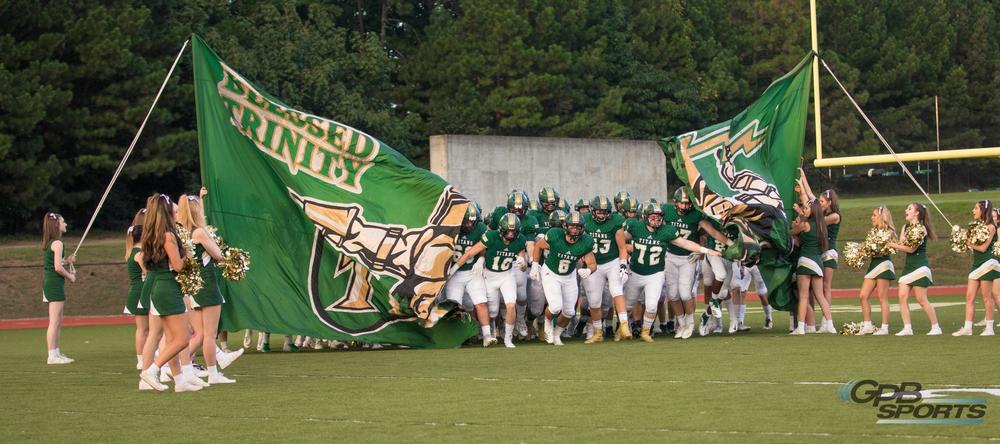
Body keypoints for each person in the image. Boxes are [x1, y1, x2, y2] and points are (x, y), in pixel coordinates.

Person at [619, 201, 720, 342]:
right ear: (644, 217)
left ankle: (648, 332)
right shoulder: (635, 226)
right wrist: (628, 250)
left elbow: (685, 243)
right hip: (636, 271)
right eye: (653, 217)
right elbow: (619, 240)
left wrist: (705, 250)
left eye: (659, 218)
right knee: (630, 302)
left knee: (659, 302)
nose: (656, 220)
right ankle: (620, 327)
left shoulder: (666, 230)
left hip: (657, 272)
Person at [137, 194, 202, 392]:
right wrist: (188, 256)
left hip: (158, 286)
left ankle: (180, 381)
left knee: (172, 337)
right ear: (166, 212)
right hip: (168, 287)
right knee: (182, 338)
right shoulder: (168, 235)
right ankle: (152, 370)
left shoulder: (151, 234)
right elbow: (177, 266)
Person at [177, 189, 243, 382]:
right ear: (196, 212)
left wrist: (201, 199)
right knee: (209, 334)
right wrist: (231, 259)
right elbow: (218, 255)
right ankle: (212, 373)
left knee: (200, 334)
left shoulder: (184, 233)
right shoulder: (199, 232)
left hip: (194, 285)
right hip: (207, 283)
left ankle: (178, 367)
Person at [453, 213, 528, 348]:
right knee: (492, 312)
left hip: (507, 275)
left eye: (514, 231)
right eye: (508, 231)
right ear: (501, 229)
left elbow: (523, 266)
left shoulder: (520, 240)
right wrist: (454, 269)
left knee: (511, 305)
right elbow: (470, 253)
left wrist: (523, 264)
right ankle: (491, 330)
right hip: (490, 276)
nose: (511, 234)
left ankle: (508, 339)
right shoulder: (491, 236)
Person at [530, 211, 596, 346]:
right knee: (555, 307)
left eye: (578, 227)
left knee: (570, 311)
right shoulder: (555, 235)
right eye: (572, 226)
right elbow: (538, 246)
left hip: (569, 276)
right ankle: (547, 323)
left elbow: (592, 263)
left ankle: (557, 334)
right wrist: (535, 265)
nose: (575, 229)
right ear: (565, 226)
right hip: (551, 273)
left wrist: (588, 270)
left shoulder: (586, 241)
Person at [887, 203, 941, 336]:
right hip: (908, 267)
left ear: (917, 213)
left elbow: (911, 249)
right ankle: (907, 328)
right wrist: (886, 239)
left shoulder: (921, 228)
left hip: (920, 266)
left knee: (921, 299)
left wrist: (891, 244)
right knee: (902, 296)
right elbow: (901, 244)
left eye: (909, 209)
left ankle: (936, 327)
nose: (906, 210)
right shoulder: (905, 227)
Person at [581, 195, 630, 343]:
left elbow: (622, 247)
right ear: (593, 211)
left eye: (604, 212)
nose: (602, 214)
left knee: (617, 290)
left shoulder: (616, 221)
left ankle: (624, 325)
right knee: (594, 301)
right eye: (599, 211)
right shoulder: (585, 220)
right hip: (592, 264)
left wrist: (623, 265)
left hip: (611, 261)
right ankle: (597, 332)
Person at [444, 205, 493, 345]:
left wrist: (481, 259)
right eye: (466, 221)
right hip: (454, 274)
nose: (469, 224)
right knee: (454, 307)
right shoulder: (450, 226)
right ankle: (458, 337)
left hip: (473, 272)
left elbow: (484, 246)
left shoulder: (481, 228)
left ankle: (487, 336)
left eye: (471, 221)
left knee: (481, 303)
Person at [790, 199, 836, 335]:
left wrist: (795, 223)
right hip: (818, 263)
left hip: (805, 261)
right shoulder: (822, 226)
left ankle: (801, 327)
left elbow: (792, 232)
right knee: (820, 296)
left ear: (813, 210)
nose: (805, 210)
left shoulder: (805, 224)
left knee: (803, 296)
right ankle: (830, 325)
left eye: (807, 208)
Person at [953, 200, 998, 336]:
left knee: (986, 297)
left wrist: (968, 242)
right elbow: (972, 246)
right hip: (976, 264)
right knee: (969, 297)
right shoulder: (975, 226)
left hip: (987, 264)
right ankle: (968, 328)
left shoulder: (991, 227)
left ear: (983, 210)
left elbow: (984, 248)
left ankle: (989, 328)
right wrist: (960, 238)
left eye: (976, 208)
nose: (973, 211)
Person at [41, 212, 76, 364]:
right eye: (63, 221)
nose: (66, 224)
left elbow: (58, 262)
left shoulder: (53, 243)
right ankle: (51, 355)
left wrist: (67, 261)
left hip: (53, 282)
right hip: (54, 283)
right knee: (54, 321)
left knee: (58, 320)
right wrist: (70, 276)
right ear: (57, 225)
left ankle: (56, 352)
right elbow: (57, 267)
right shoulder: (58, 243)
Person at [857, 206, 896, 336]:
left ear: (881, 216)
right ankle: (867, 325)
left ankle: (884, 328)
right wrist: (860, 253)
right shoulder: (872, 231)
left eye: (874, 215)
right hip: (873, 265)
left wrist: (871, 248)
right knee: (863, 295)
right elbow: (869, 249)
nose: (872, 218)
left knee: (882, 297)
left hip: (884, 264)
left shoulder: (889, 232)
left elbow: (884, 249)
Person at [124, 209, 149, 369]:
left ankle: (142, 358)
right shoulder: (140, 253)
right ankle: (141, 359)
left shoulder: (130, 251)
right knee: (145, 329)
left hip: (135, 290)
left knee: (143, 329)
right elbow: (148, 272)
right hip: (141, 291)